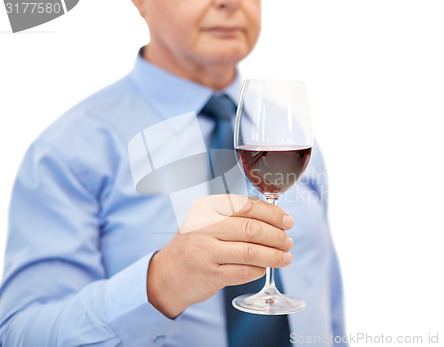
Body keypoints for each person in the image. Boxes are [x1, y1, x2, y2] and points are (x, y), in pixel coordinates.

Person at [0, 0, 347, 345]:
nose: (228, 2)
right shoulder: (70, 149)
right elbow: (18, 332)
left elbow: (327, 310)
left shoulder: (291, 136)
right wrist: (160, 284)